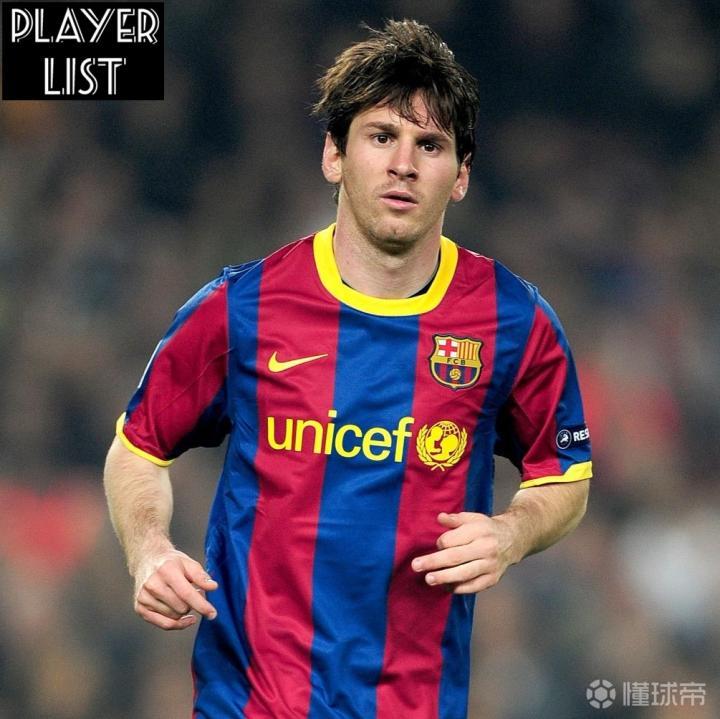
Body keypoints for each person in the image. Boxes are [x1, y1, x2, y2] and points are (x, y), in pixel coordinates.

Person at [103, 19, 592, 719]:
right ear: (334, 154)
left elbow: (565, 476)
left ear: (461, 176)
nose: (404, 164)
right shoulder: (241, 307)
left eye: (430, 145)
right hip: (250, 702)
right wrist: (148, 550)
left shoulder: (515, 322)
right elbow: (137, 447)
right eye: (381, 136)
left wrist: (511, 534)